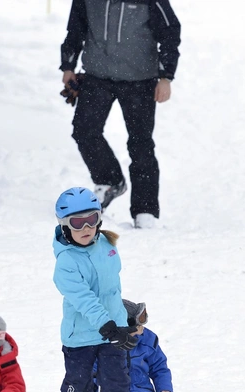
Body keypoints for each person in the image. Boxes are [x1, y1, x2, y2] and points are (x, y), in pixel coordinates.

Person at [59, 0, 181, 229]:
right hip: (97, 75)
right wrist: (68, 65)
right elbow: (75, 27)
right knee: (84, 131)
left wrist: (166, 76)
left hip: (140, 80)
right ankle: (109, 180)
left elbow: (170, 31)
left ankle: (145, 211)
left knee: (140, 144)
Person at [52, 186, 142, 392]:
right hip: (81, 336)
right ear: (65, 225)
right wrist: (108, 325)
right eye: (78, 223)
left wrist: (122, 322)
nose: (86, 227)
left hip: (112, 332)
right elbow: (84, 299)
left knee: (117, 382)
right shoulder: (66, 261)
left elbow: (112, 292)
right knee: (77, 384)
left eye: (92, 218)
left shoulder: (107, 245)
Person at [121, 299, 173, 392]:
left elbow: (159, 366)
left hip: (138, 387)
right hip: (108, 388)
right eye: (138, 326)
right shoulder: (105, 344)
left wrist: (164, 387)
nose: (142, 328)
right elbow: (93, 368)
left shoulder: (148, 340)